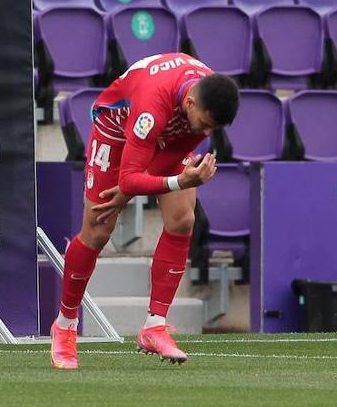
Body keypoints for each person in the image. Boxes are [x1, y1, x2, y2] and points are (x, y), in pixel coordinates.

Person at [50, 52, 239, 370]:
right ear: (191, 103)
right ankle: (65, 326)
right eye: (206, 125)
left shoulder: (204, 99)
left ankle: (154, 325)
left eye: (213, 129)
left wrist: (168, 182)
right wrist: (175, 181)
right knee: (98, 231)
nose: (207, 134)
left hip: (168, 135)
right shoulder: (154, 103)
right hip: (118, 130)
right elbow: (128, 179)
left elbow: (176, 150)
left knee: (183, 219)